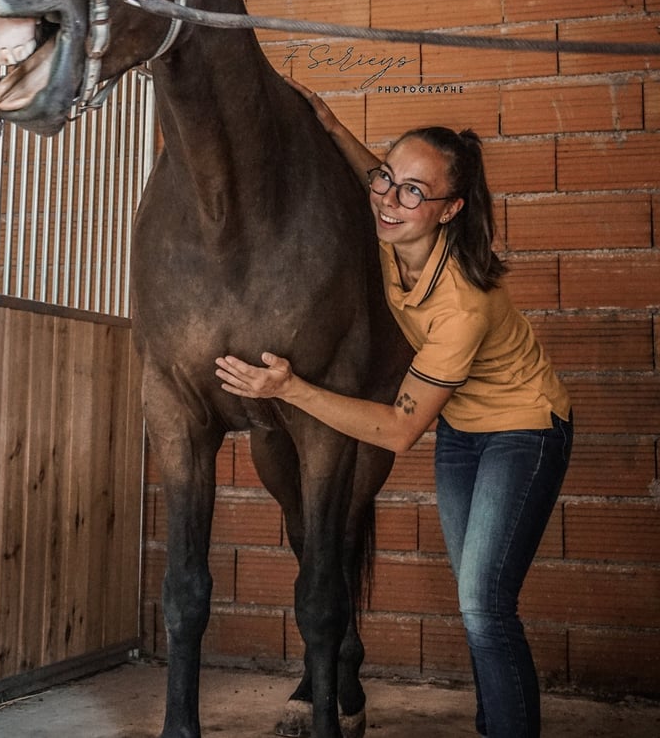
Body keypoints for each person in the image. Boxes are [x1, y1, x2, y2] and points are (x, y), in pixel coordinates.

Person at [215, 82, 572, 738]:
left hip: (525, 429)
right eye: (389, 177)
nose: (389, 197)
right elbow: (373, 180)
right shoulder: (391, 233)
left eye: (415, 191)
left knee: (484, 603)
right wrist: (331, 123)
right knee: (480, 603)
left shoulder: (461, 302)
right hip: (465, 431)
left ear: (449, 210)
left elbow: (401, 428)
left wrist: (289, 389)